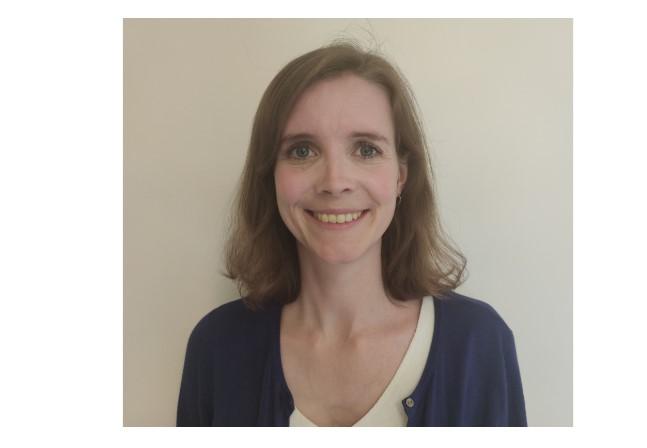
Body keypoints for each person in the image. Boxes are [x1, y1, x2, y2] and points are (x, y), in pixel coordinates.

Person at [176, 41, 527, 427]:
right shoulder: (217, 347)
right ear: (270, 176)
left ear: (401, 176)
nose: (335, 182)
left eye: (365, 149)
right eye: (302, 151)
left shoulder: (479, 344)